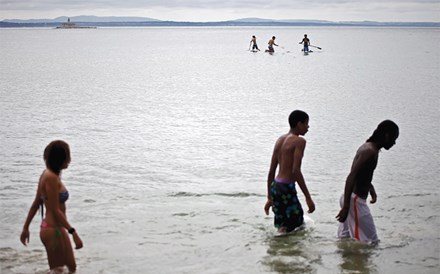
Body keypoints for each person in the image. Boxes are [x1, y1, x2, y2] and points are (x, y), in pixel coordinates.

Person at [20, 140, 83, 273]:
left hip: (56, 228)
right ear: (60, 158)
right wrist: (73, 232)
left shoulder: (48, 174)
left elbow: (36, 204)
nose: (69, 160)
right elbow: (55, 210)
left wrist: (26, 228)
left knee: (71, 268)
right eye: (67, 156)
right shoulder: (50, 177)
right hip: (53, 230)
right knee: (59, 270)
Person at [336, 120, 399, 243]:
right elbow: (352, 175)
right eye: (394, 138)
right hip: (354, 201)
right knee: (371, 242)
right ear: (386, 135)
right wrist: (346, 207)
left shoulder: (369, 147)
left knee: (345, 240)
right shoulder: (370, 151)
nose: (394, 142)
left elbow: (362, 174)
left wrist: (371, 189)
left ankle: (345, 261)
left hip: (350, 198)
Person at [264, 110, 316, 233]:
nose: (308, 127)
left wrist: (270, 197)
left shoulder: (279, 140)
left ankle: (278, 248)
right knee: (296, 224)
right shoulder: (300, 141)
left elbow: (271, 171)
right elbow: (296, 170)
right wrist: (308, 198)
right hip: (287, 187)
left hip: (276, 186)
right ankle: (287, 249)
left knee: (284, 224)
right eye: (306, 123)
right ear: (299, 124)